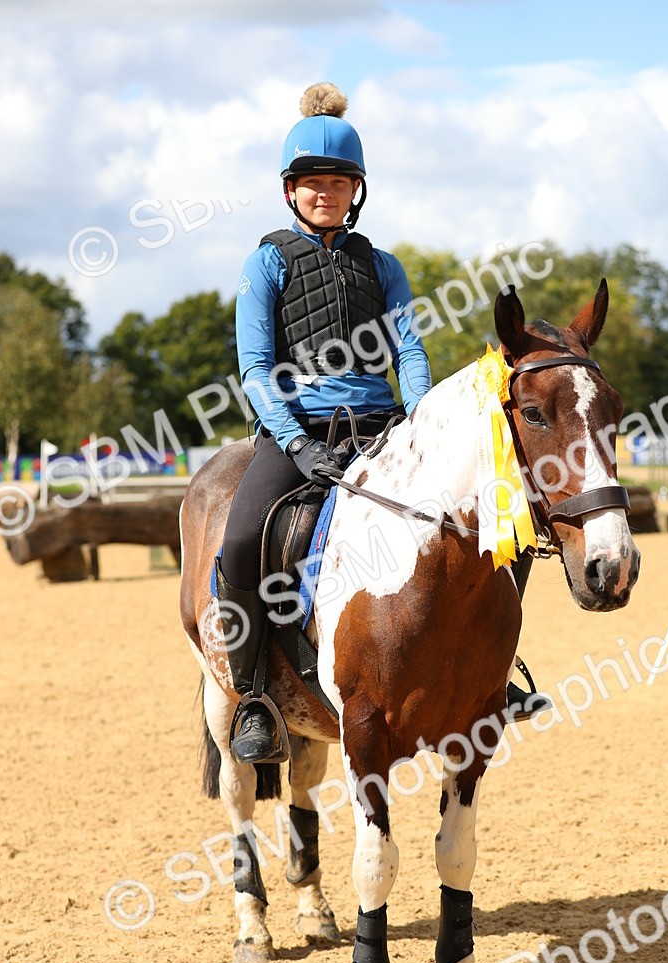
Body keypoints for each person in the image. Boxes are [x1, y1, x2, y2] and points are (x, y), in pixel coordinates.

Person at [216, 82, 432, 764]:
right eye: (311, 183)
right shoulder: (267, 262)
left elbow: (411, 352)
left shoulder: (384, 265)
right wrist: (298, 444)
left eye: (337, 182)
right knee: (243, 537)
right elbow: (254, 369)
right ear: (290, 191)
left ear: (356, 190)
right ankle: (254, 695)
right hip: (299, 430)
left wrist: (419, 424)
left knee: (470, 518)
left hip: (379, 425)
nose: (324, 193)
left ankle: (489, 678)